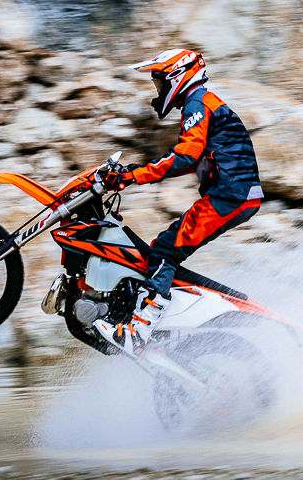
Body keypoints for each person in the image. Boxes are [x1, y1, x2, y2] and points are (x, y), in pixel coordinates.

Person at [93, 49, 263, 355]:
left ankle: (138, 331)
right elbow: (194, 158)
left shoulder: (198, 103)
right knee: (165, 248)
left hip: (229, 196)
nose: (158, 91)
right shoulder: (202, 102)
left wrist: (131, 176)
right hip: (234, 195)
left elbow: (184, 156)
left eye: (159, 82)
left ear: (177, 76)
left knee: (163, 250)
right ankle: (162, 321)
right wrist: (136, 172)